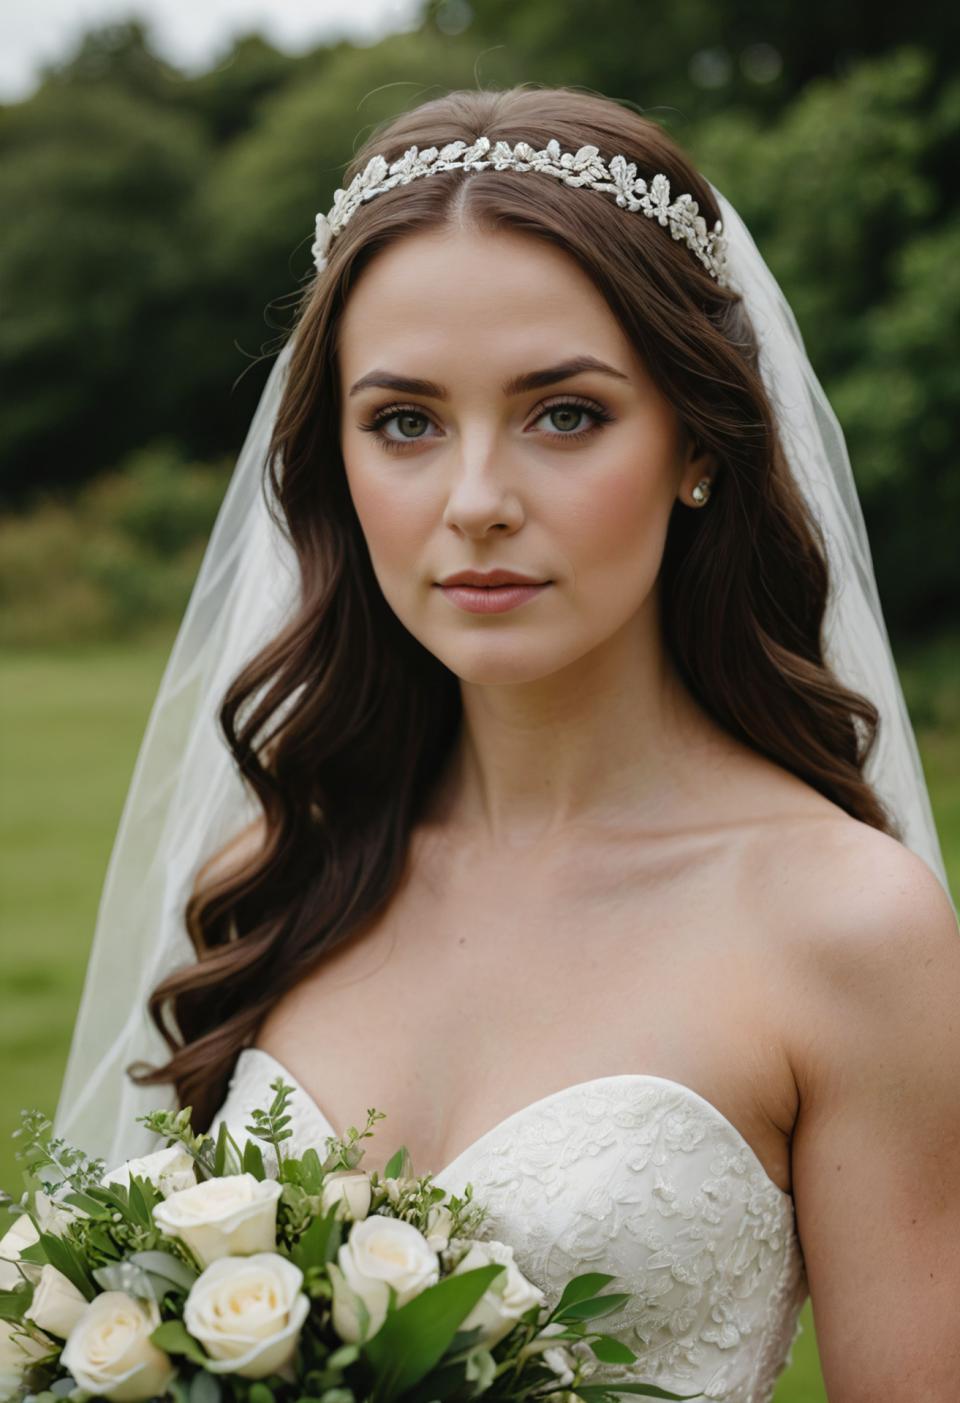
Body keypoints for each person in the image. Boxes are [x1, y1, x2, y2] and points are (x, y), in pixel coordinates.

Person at [56, 87, 959, 1400]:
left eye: (565, 414)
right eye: (406, 423)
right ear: (337, 458)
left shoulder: (846, 927)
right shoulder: (286, 871)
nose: (476, 502)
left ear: (698, 443)